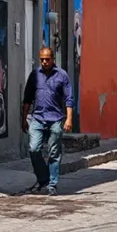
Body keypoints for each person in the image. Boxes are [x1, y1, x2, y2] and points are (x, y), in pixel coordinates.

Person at [22, 47, 74, 196]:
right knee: (33, 149)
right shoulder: (35, 75)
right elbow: (27, 99)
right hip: (37, 118)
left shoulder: (62, 76)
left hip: (56, 119)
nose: (44, 62)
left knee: (54, 152)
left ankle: (52, 184)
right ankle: (43, 178)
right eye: (42, 59)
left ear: (53, 59)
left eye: (47, 59)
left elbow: (69, 98)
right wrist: (24, 118)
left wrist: (69, 118)